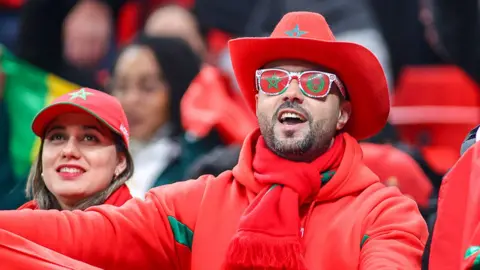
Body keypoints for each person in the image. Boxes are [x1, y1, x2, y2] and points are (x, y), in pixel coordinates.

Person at [0, 12, 427, 269]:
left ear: (343, 113)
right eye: (274, 80)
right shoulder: (198, 203)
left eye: (314, 82)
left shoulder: (385, 212)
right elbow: (84, 234)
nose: (291, 92)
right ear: (259, 100)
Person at [109, 35, 224, 199]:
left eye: (148, 88)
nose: (130, 100)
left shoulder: (199, 165)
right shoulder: (98, 153)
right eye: (121, 87)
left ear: (178, 91)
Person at [17, 88, 134, 210]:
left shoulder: (140, 226)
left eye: (89, 138)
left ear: (120, 162)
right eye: (57, 137)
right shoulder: (15, 226)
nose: (69, 151)